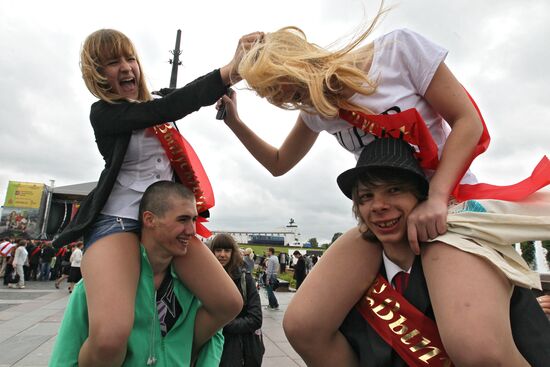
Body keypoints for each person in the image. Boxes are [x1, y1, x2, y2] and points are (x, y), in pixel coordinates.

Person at [218, 10, 550, 364]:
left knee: (478, 350)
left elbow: (467, 121)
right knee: (303, 325)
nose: (298, 103)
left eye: (295, 91)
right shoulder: (315, 109)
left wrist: (437, 197)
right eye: (285, 100)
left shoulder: (398, 52)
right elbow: (279, 163)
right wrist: (235, 122)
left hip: (446, 204)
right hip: (381, 213)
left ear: (299, 62)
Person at [50, 29, 260, 366]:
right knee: (108, 339)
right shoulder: (104, 113)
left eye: (129, 58)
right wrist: (229, 69)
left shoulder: (157, 104)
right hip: (118, 222)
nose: (126, 67)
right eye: (111, 63)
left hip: (166, 224)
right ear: (96, 75)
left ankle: (170, 354)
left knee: (228, 303)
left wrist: (232, 84)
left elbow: (184, 97)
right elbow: (172, 106)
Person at [336, 137, 550, 366]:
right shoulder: (355, 284)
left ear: (421, 198)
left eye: (394, 190)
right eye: (366, 196)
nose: (378, 205)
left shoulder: (466, 255)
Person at [50, 181, 233, 366]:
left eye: (194, 219)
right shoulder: (97, 287)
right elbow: (66, 356)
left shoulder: (192, 288)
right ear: (149, 219)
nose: (192, 230)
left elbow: (213, 341)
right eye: (183, 219)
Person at [210, 234, 264, 366]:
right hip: (210, 347)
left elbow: (256, 319)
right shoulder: (205, 278)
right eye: (218, 250)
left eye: (227, 250)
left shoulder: (245, 279)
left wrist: (220, 326)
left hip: (237, 348)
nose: (222, 255)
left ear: (233, 253)